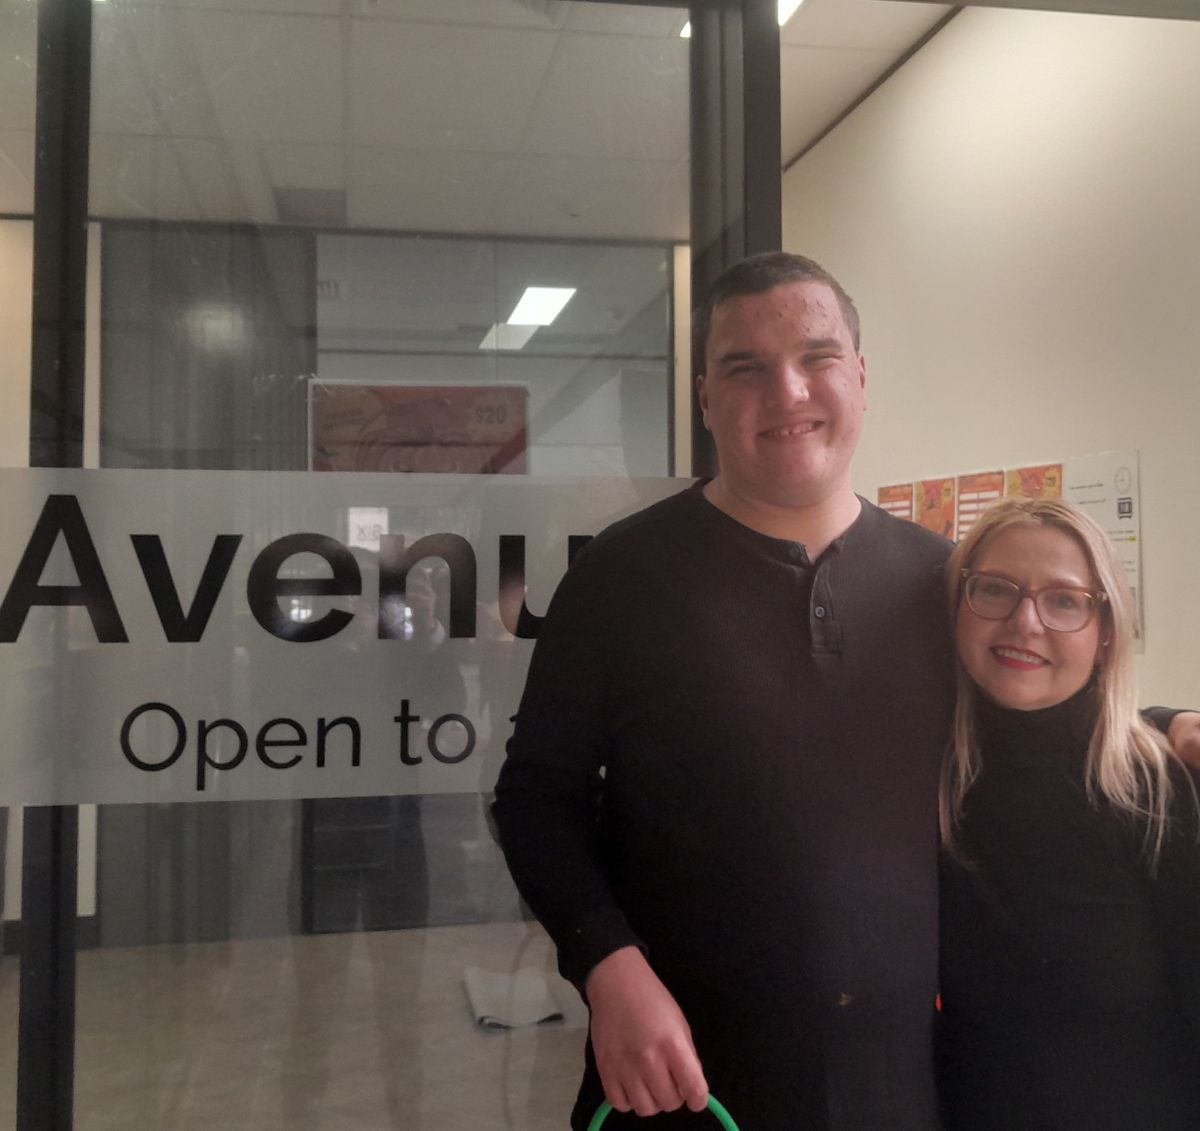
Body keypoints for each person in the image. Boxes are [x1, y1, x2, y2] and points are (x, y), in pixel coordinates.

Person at [491, 252, 1199, 1130]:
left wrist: (1164, 723)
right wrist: (607, 966)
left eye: (816, 358)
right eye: (744, 367)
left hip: (902, 1090)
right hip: (686, 1083)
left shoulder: (938, 582)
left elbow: (1036, 710)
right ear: (706, 398)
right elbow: (535, 798)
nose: (786, 393)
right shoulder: (620, 577)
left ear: (860, 380)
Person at [937, 498, 1200, 1130]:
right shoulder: (926, 776)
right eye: (996, 589)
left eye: (1064, 600)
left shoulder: (1159, 790)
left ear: (1105, 631)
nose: (1025, 622)